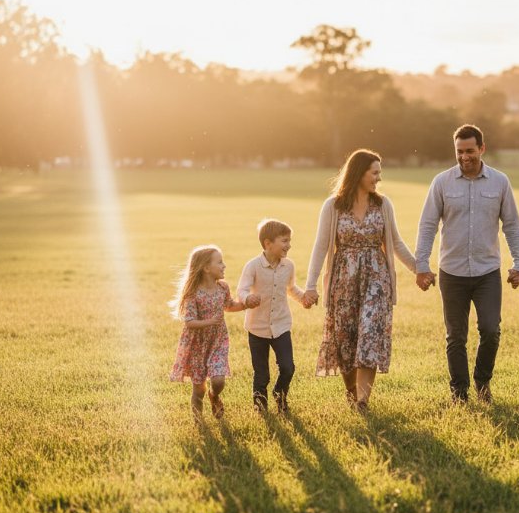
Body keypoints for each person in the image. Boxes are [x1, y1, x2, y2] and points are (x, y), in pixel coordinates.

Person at [414, 124, 519, 404]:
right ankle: (460, 392)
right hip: (451, 272)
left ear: (482, 149)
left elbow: (511, 224)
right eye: (459, 152)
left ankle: (482, 381)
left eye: (470, 151)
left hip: (487, 271)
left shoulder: (500, 182)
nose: (464, 157)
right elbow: (428, 225)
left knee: (491, 329)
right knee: (456, 336)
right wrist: (421, 264)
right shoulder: (442, 182)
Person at [305, 149, 417, 412]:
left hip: (376, 280)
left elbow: (396, 243)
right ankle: (352, 392)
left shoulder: (382, 205)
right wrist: (310, 285)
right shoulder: (333, 206)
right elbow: (321, 247)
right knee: (345, 341)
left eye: (380, 172)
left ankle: (363, 401)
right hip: (343, 280)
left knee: (370, 334)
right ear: (359, 173)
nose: (379, 178)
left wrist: (419, 269)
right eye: (374, 172)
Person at [236, 219, 310, 414]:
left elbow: (291, 288)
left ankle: (280, 394)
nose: (289, 245)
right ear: (268, 243)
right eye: (284, 241)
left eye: (289, 240)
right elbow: (241, 290)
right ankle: (260, 409)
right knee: (262, 374)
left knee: (288, 367)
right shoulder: (253, 266)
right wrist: (247, 298)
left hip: (281, 325)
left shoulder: (288, 266)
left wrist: (304, 299)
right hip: (257, 328)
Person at [169, 245, 250, 419]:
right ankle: (199, 422)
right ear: (206, 268)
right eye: (219, 262)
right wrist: (210, 322)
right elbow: (189, 322)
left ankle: (214, 395)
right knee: (198, 389)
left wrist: (246, 304)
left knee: (218, 380)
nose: (224, 266)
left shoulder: (222, 288)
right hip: (197, 344)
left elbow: (229, 305)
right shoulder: (193, 293)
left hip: (218, 341)